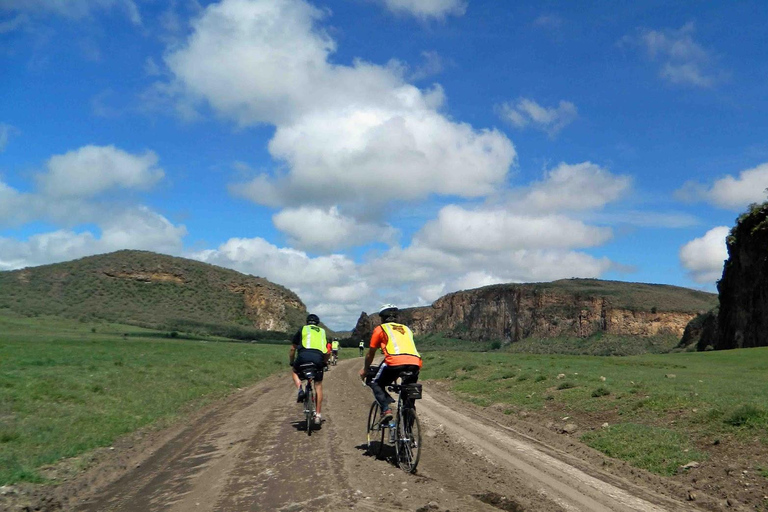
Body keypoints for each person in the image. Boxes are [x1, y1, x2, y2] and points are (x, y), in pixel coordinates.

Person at [359, 304, 422, 425]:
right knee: (409, 397)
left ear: (382, 318)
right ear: (396, 317)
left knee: (374, 382)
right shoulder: (406, 329)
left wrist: (365, 370)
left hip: (394, 362)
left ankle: (386, 410)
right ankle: (408, 435)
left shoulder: (381, 329)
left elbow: (370, 353)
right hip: (415, 362)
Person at [290, 313, 330, 424]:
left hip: (303, 357)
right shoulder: (322, 332)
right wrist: (324, 363)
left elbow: (293, 349)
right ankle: (318, 415)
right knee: (318, 385)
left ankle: (300, 389)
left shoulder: (302, 329)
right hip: (318, 358)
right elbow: (327, 351)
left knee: (294, 371)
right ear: (317, 323)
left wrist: (292, 362)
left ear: (307, 322)